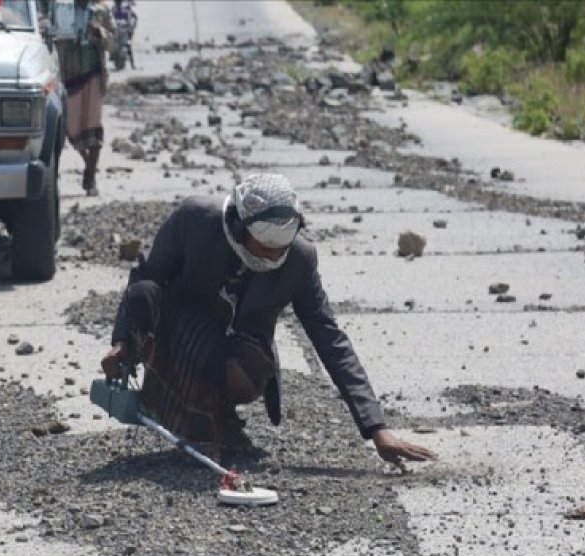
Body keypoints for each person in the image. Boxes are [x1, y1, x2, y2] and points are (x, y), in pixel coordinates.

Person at [101, 174, 435, 467]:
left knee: (241, 365)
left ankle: (220, 418)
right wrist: (122, 344)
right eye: (262, 249)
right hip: (181, 329)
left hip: (240, 348)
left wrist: (376, 429)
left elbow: (329, 338)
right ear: (238, 228)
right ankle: (192, 417)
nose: (272, 258)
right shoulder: (196, 220)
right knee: (145, 295)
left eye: (280, 250)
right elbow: (147, 277)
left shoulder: (300, 260)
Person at [50, 0, 114, 196]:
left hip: (93, 74)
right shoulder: (60, 9)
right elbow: (49, 38)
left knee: (93, 128)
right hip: (68, 76)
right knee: (69, 129)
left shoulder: (101, 12)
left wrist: (100, 34)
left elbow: (112, 42)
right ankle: (89, 165)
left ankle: (91, 176)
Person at [111, 0, 137, 69]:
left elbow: (132, 19)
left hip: (123, 30)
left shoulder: (126, 10)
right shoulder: (114, 10)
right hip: (117, 30)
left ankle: (132, 64)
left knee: (128, 45)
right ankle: (132, 65)